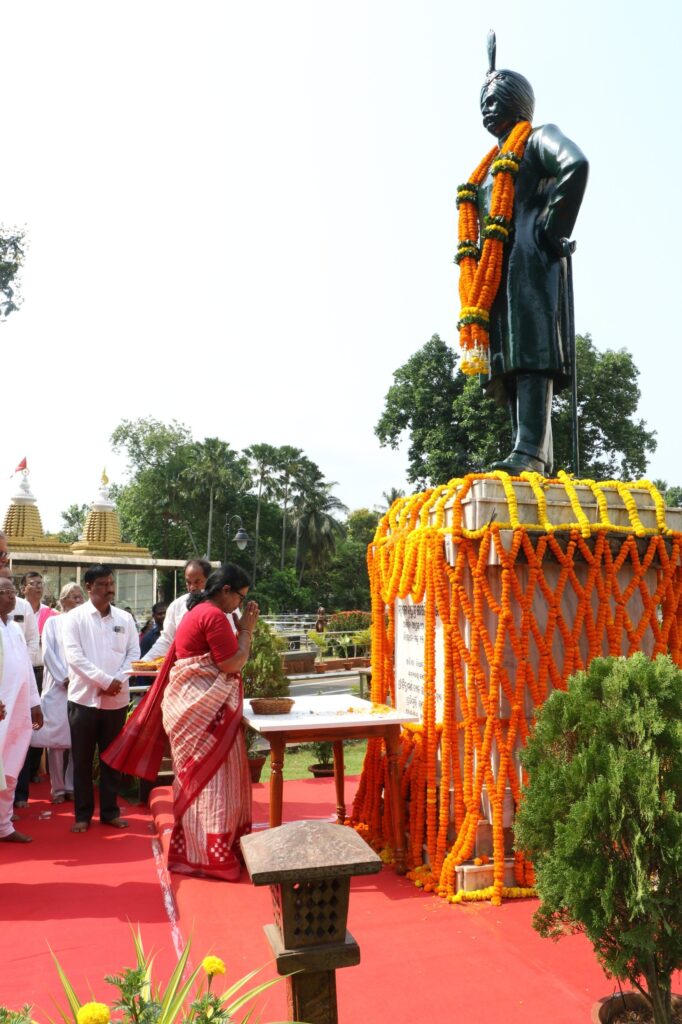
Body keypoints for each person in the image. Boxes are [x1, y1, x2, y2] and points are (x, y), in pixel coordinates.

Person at [456, 32, 588, 475]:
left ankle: (530, 450)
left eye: (495, 100)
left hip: (531, 261)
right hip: (495, 273)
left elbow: (575, 164)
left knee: (532, 353)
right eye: (483, 103)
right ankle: (530, 451)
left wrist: (553, 229)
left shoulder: (537, 139)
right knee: (508, 360)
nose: (487, 109)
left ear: (518, 102)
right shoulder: (486, 168)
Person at [102, 563, 259, 879]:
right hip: (203, 711)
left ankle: (197, 849)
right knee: (214, 783)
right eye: (240, 598)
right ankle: (210, 856)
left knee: (198, 780)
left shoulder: (196, 612)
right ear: (225, 590)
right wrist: (246, 631)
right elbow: (232, 663)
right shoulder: (213, 615)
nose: (239, 605)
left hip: (189, 707)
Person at [62, 564, 140, 833]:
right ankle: (82, 815)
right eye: (102, 585)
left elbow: (134, 654)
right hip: (83, 700)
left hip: (116, 701)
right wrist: (106, 681)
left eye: (111, 583)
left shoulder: (124, 619)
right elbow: (74, 658)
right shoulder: (74, 618)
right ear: (89, 587)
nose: (109, 589)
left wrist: (117, 681)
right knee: (82, 760)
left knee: (111, 759)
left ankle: (110, 812)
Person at [0, 576, 43, 843]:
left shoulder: (15, 628)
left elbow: (26, 667)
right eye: (4, 591)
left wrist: (34, 703)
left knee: (11, 767)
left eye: (12, 591)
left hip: (17, 709)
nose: (11, 595)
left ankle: (4, 826)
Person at [37, 583, 86, 803]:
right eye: (73, 596)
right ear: (63, 600)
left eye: (80, 596)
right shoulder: (53, 622)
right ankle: (57, 788)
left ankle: (71, 785)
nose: (78, 600)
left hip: (80, 686)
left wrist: (78, 679)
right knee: (55, 740)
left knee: (77, 739)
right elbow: (48, 653)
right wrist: (64, 678)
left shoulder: (85, 623)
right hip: (57, 687)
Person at [17, 571, 58, 796]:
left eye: (40, 583)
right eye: (32, 583)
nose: (38, 587)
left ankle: (34, 766)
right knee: (20, 720)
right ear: (23, 588)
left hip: (42, 672)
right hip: (20, 671)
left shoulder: (51, 614)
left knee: (37, 719)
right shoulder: (16, 608)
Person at [141, 559, 212, 662]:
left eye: (197, 582)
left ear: (209, 580)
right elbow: (166, 641)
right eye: (188, 582)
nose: (192, 587)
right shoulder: (177, 606)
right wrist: (145, 662)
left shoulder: (222, 606)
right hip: (183, 668)